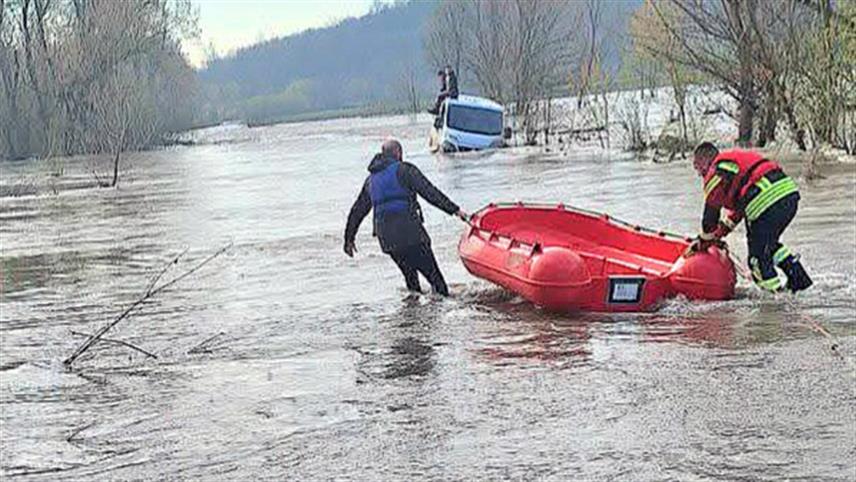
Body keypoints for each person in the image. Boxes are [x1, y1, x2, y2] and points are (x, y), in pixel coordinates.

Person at [344, 139, 469, 296]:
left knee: (411, 281)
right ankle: (438, 316)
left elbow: (357, 210)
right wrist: (455, 210)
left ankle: (413, 317)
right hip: (411, 235)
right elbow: (430, 193)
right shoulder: (405, 170)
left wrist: (348, 239)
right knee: (437, 283)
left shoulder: (370, 181)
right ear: (398, 153)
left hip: (388, 241)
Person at [688, 142, 812, 292]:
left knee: (756, 260)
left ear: (704, 161)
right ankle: (800, 282)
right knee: (769, 246)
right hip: (788, 196)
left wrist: (704, 241)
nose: (699, 173)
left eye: (697, 166)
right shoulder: (732, 166)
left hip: (765, 201)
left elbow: (710, 218)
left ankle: (773, 303)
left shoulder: (715, 172)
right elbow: (738, 212)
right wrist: (719, 234)